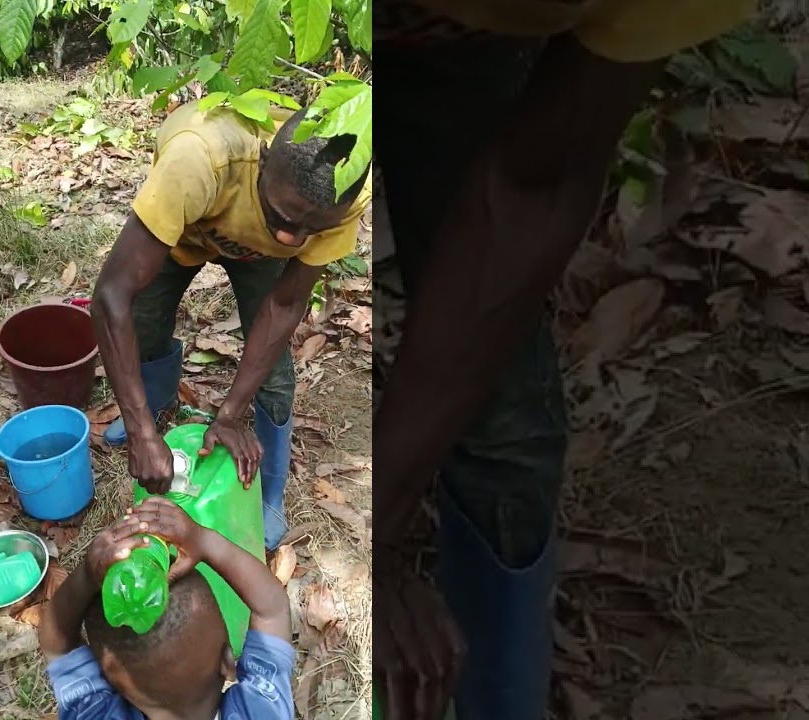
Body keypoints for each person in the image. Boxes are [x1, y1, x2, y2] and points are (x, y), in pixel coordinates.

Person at [368, 3, 756, 719]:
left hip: (460, 48)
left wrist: (376, 527)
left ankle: (498, 696)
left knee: (500, 417)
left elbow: (531, 188)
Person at [90, 102, 371, 551]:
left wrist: (230, 414)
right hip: (185, 231)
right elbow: (111, 298)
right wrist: (142, 429)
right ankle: (155, 409)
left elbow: (285, 304)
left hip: (259, 260)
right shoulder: (198, 158)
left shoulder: (347, 195)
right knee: (144, 328)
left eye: (310, 229)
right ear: (261, 163)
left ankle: (271, 489)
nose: (291, 239)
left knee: (275, 376)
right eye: (281, 217)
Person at [39, 497, 295, 720]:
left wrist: (86, 576)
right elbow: (272, 610)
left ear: (110, 682)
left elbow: (57, 643)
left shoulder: (93, 715)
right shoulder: (261, 711)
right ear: (228, 661)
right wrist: (204, 541)